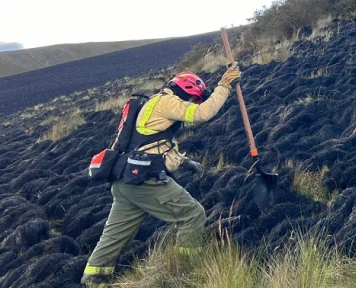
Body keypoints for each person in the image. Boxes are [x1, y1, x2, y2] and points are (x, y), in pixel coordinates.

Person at [81, 64, 241, 287]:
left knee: (114, 236)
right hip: (145, 181)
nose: (193, 104)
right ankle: (186, 271)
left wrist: (186, 161)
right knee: (193, 215)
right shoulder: (165, 102)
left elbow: (153, 146)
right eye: (194, 98)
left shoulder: (154, 104)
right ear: (187, 91)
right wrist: (224, 86)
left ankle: (93, 279)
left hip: (127, 183)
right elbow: (203, 114)